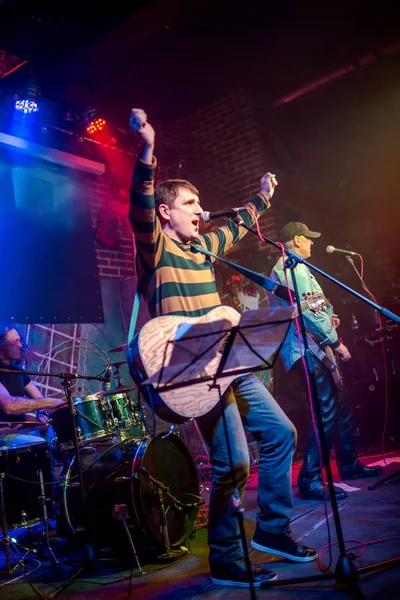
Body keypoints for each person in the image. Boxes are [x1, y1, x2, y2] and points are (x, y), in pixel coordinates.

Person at [127, 109, 317, 588]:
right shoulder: (156, 247)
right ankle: (228, 560)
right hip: (194, 371)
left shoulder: (204, 249)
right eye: (190, 203)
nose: (199, 209)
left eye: (200, 203)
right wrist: (148, 153)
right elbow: (139, 208)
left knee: (281, 433)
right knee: (235, 462)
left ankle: (272, 531)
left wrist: (264, 195)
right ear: (167, 211)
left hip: (231, 361)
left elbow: (244, 221)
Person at [269, 222, 382, 501]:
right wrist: (335, 342)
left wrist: (329, 315)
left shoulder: (300, 267)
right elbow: (305, 315)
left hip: (315, 345)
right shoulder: (289, 269)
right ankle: (309, 479)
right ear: (296, 240)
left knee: (340, 405)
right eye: (309, 239)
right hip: (306, 349)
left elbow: (314, 305)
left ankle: (348, 463)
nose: (313, 243)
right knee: (324, 411)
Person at [0, 323, 65, 444]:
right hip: (2, 435)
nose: (20, 345)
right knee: (38, 442)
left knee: (59, 434)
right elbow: (10, 406)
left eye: (20, 340)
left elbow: (39, 400)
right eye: (15, 342)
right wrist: (50, 402)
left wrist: (41, 412)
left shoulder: (17, 370)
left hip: (20, 431)